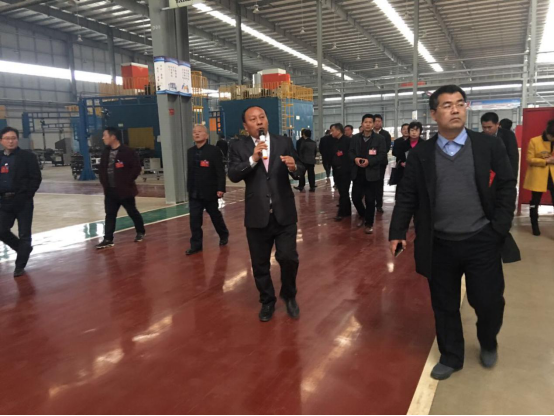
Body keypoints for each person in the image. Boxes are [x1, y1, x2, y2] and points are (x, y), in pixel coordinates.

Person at [390, 85, 520, 381]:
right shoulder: (422, 153)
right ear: (434, 114)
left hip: (481, 239)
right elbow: (408, 194)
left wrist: (499, 227)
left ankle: (488, 340)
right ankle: (451, 356)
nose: (456, 109)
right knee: (444, 304)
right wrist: (397, 231)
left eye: (460, 103)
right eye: (447, 105)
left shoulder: (487, 146)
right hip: (439, 243)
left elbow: (506, 184)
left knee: (488, 301)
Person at [228, 106, 305, 322]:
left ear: (267, 120)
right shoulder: (238, 146)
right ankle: (267, 301)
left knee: (288, 258)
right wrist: (253, 159)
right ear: (246, 126)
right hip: (257, 214)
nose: (259, 122)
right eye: (253, 119)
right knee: (260, 263)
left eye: (262, 117)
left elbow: (300, 169)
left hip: (284, 212)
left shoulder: (284, 142)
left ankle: (289, 295)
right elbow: (233, 174)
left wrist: (294, 168)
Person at [0, 126, 42, 277]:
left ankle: (20, 265)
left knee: (24, 233)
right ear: (1, 141)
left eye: (13, 138)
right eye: (7, 138)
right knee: (1, 230)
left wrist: (27, 194)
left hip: (23, 201)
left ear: (17, 140)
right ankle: (22, 249)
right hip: (4, 201)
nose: (10, 141)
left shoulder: (27, 157)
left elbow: (36, 177)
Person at [96, 127, 146, 249]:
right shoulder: (105, 152)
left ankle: (140, 231)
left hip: (125, 190)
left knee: (132, 211)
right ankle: (108, 239)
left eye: (105, 135)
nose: (103, 138)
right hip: (110, 191)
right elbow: (102, 169)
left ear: (113, 137)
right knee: (110, 214)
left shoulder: (127, 152)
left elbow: (136, 168)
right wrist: (104, 183)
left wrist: (127, 181)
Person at [186, 124, 229, 255]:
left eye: (199, 132)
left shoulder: (214, 151)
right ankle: (196, 245)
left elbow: (220, 171)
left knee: (215, 215)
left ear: (206, 135)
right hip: (194, 192)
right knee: (194, 220)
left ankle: (223, 234)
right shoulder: (190, 152)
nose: (196, 134)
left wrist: (220, 188)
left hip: (209, 191)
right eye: (194, 132)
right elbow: (190, 172)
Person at [350, 114, 387, 233]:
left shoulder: (380, 139)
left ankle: (369, 223)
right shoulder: (355, 138)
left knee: (370, 200)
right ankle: (363, 214)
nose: (368, 124)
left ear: (373, 124)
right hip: (358, 173)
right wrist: (355, 159)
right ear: (362, 123)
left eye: (370, 122)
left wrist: (369, 161)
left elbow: (382, 155)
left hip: (372, 174)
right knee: (355, 198)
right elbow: (350, 152)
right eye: (366, 122)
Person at [522, 119, 554, 236]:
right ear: (547, 133)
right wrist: (545, 161)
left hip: (552, 176)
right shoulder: (535, 141)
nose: (552, 139)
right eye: (551, 136)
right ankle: (534, 226)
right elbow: (529, 159)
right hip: (538, 176)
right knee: (534, 202)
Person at [481, 112, 519, 178]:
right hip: (487, 175)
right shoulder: (480, 137)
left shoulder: (508, 135)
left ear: (497, 124)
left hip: (504, 173)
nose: (487, 130)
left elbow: (513, 157)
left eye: (489, 127)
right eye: (484, 127)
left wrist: (513, 177)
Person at [330, 123, 352, 221]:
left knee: (343, 191)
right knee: (342, 191)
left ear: (338, 131)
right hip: (336, 170)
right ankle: (347, 211)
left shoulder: (347, 141)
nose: (331, 133)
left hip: (345, 170)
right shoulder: (334, 141)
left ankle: (341, 213)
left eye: (333, 130)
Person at [373, 114, 392, 213]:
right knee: (370, 183)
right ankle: (370, 203)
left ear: (382, 122)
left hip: (381, 163)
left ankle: (379, 204)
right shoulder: (368, 133)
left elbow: (387, 148)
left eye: (379, 121)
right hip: (369, 163)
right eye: (375, 121)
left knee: (379, 183)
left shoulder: (385, 134)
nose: (377, 123)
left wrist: (375, 154)